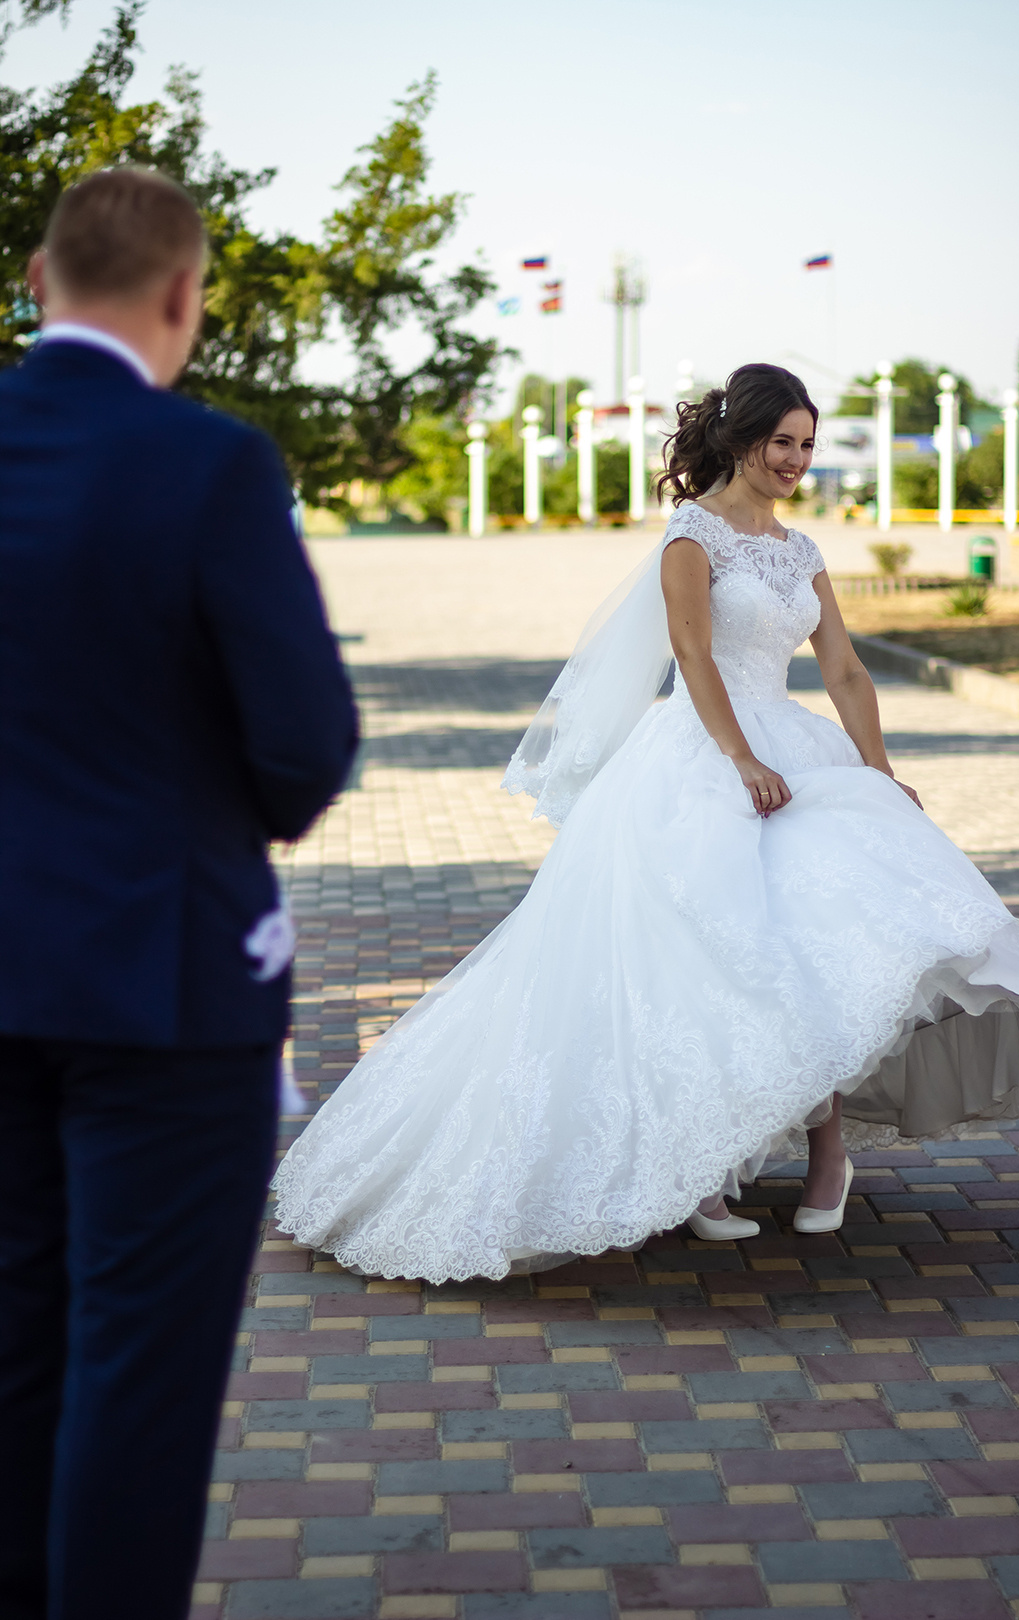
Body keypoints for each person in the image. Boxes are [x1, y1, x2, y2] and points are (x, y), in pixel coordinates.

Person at [273, 362, 1019, 1284]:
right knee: (706, 954)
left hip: (798, 752)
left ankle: (828, 1154)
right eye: (784, 443)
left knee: (819, 949)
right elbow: (693, 656)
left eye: (809, 446)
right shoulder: (691, 537)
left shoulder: (802, 550)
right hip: (703, 753)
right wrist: (740, 759)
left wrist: (879, 773)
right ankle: (701, 1167)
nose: (796, 461)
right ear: (742, 440)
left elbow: (847, 670)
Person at [0, 168, 358, 1620]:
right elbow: (304, 746)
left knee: (15, 1358)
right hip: (164, 986)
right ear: (181, 298)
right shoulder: (209, 465)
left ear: (37, 284)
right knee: (138, 1382)